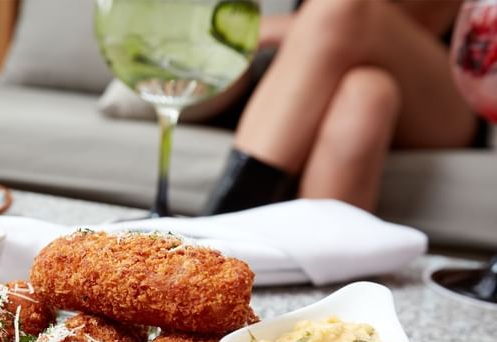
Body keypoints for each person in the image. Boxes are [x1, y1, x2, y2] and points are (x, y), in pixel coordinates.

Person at [203, 0, 479, 214]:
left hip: (443, 92)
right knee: (366, 93)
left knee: (343, 7)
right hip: (322, 81)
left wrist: (290, 26)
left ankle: (225, 228)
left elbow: (414, 25)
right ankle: (319, 271)